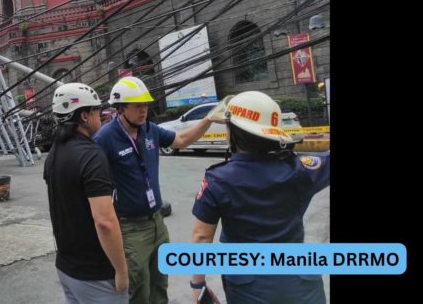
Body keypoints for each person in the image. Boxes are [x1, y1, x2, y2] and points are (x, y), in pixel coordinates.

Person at [189, 91, 330, 304]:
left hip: (247, 289)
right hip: (301, 283)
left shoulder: (217, 179)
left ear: (235, 133)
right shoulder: (300, 170)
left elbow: (201, 237)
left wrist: (198, 287)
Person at [94, 76, 219, 304]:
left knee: (160, 283)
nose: (144, 111)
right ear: (121, 108)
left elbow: (181, 139)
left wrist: (209, 119)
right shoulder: (104, 139)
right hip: (130, 228)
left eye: (146, 105)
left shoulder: (150, 130)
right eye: (138, 106)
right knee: (138, 289)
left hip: (157, 223)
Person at [43, 82, 129, 304]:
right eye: (96, 110)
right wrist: (121, 270)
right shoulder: (91, 155)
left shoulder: (54, 153)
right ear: (84, 116)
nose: (99, 115)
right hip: (96, 275)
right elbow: (105, 222)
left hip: (66, 268)